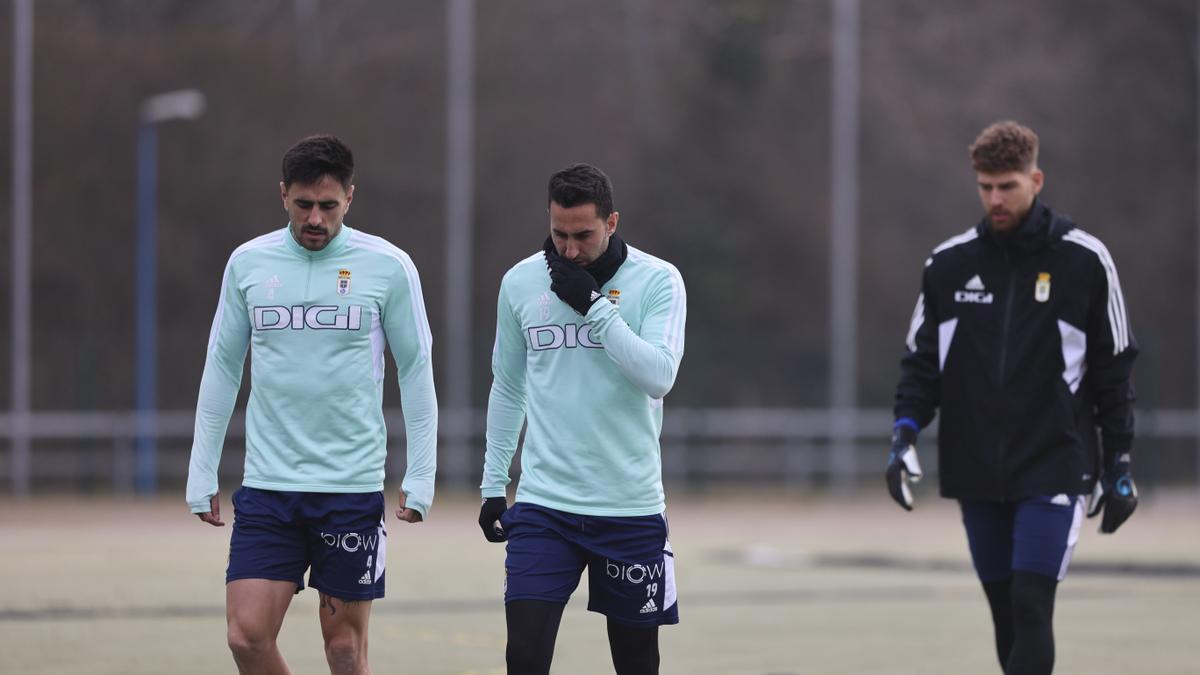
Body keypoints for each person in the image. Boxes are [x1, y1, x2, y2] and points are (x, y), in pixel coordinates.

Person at [887, 121, 1139, 675]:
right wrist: (903, 434)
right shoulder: (948, 265)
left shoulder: (1085, 260)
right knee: (1006, 615)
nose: (995, 199)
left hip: (1055, 462)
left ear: (1036, 179)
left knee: (1031, 604)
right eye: (985, 187)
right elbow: (921, 363)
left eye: (1007, 186)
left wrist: (1119, 461)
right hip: (975, 467)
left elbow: (1114, 369)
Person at [185, 134, 438, 675]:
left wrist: (421, 476)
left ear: (350, 197)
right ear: (283, 196)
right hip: (269, 488)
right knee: (245, 637)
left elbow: (416, 371)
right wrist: (201, 469)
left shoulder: (388, 267)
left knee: (344, 651)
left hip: (349, 489)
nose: (315, 219)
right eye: (304, 205)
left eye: (328, 205)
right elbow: (222, 366)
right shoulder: (248, 264)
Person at [478, 163, 687, 675]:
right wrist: (492, 483)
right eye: (559, 234)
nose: (569, 250)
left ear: (612, 222)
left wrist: (592, 305)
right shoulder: (521, 282)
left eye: (583, 235)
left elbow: (658, 375)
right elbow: (508, 385)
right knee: (524, 657)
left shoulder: (658, 280)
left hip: (629, 506)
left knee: (636, 663)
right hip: (545, 505)